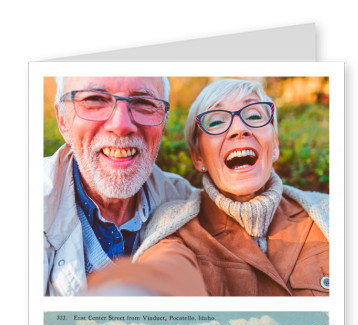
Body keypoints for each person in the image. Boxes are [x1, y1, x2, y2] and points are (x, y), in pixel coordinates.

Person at [90, 78, 329, 296]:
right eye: (216, 122)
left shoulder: (328, 213)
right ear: (198, 157)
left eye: (255, 116)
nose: (239, 129)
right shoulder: (176, 228)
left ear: (274, 144)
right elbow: (165, 270)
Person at [44, 76, 198, 296]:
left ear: (163, 121)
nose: (121, 125)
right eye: (95, 99)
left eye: (144, 103)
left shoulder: (187, 204)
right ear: (62, 120)